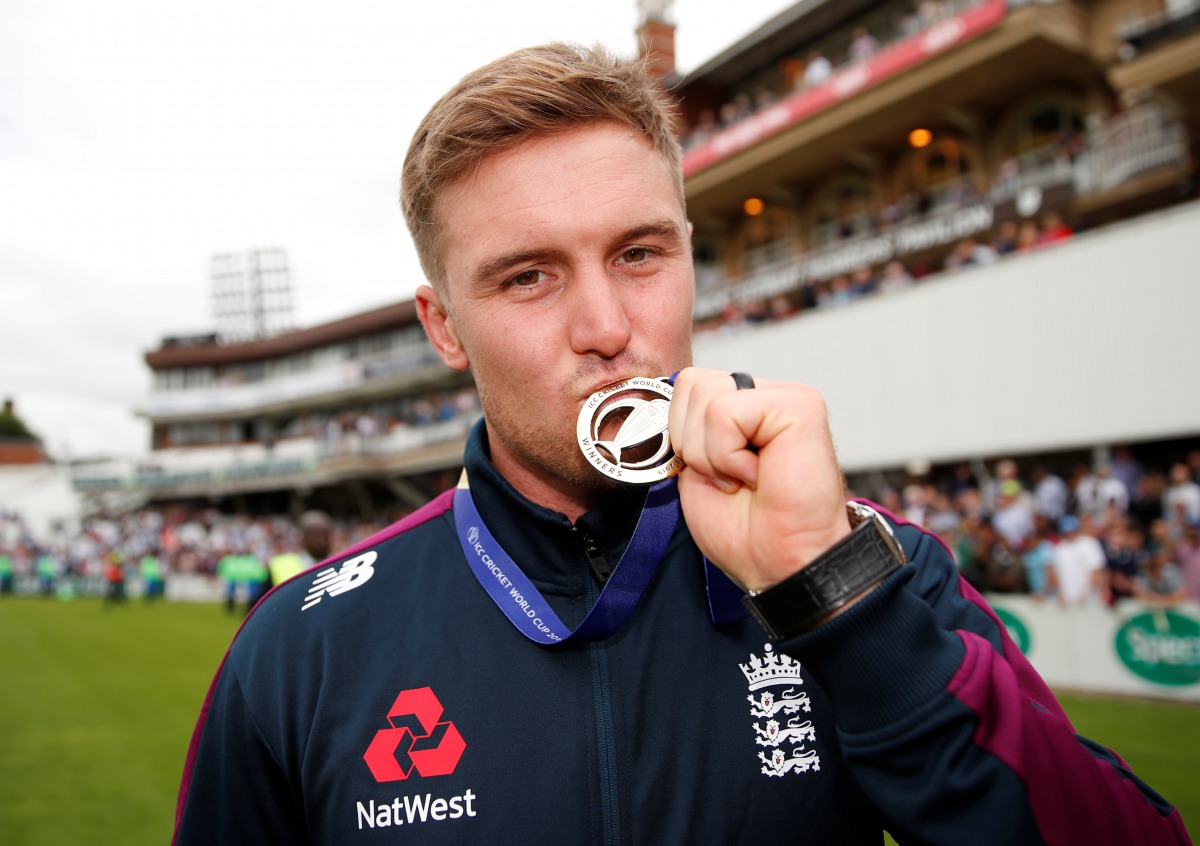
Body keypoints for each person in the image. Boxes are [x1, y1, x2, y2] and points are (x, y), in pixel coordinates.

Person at [172, 44, 1190, 844]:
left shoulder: (883, 570)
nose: (608, 325)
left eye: (640, 253)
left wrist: (837, 602)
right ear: (443, 326)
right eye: (529, 276)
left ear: (691, 259)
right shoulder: (299, 646)